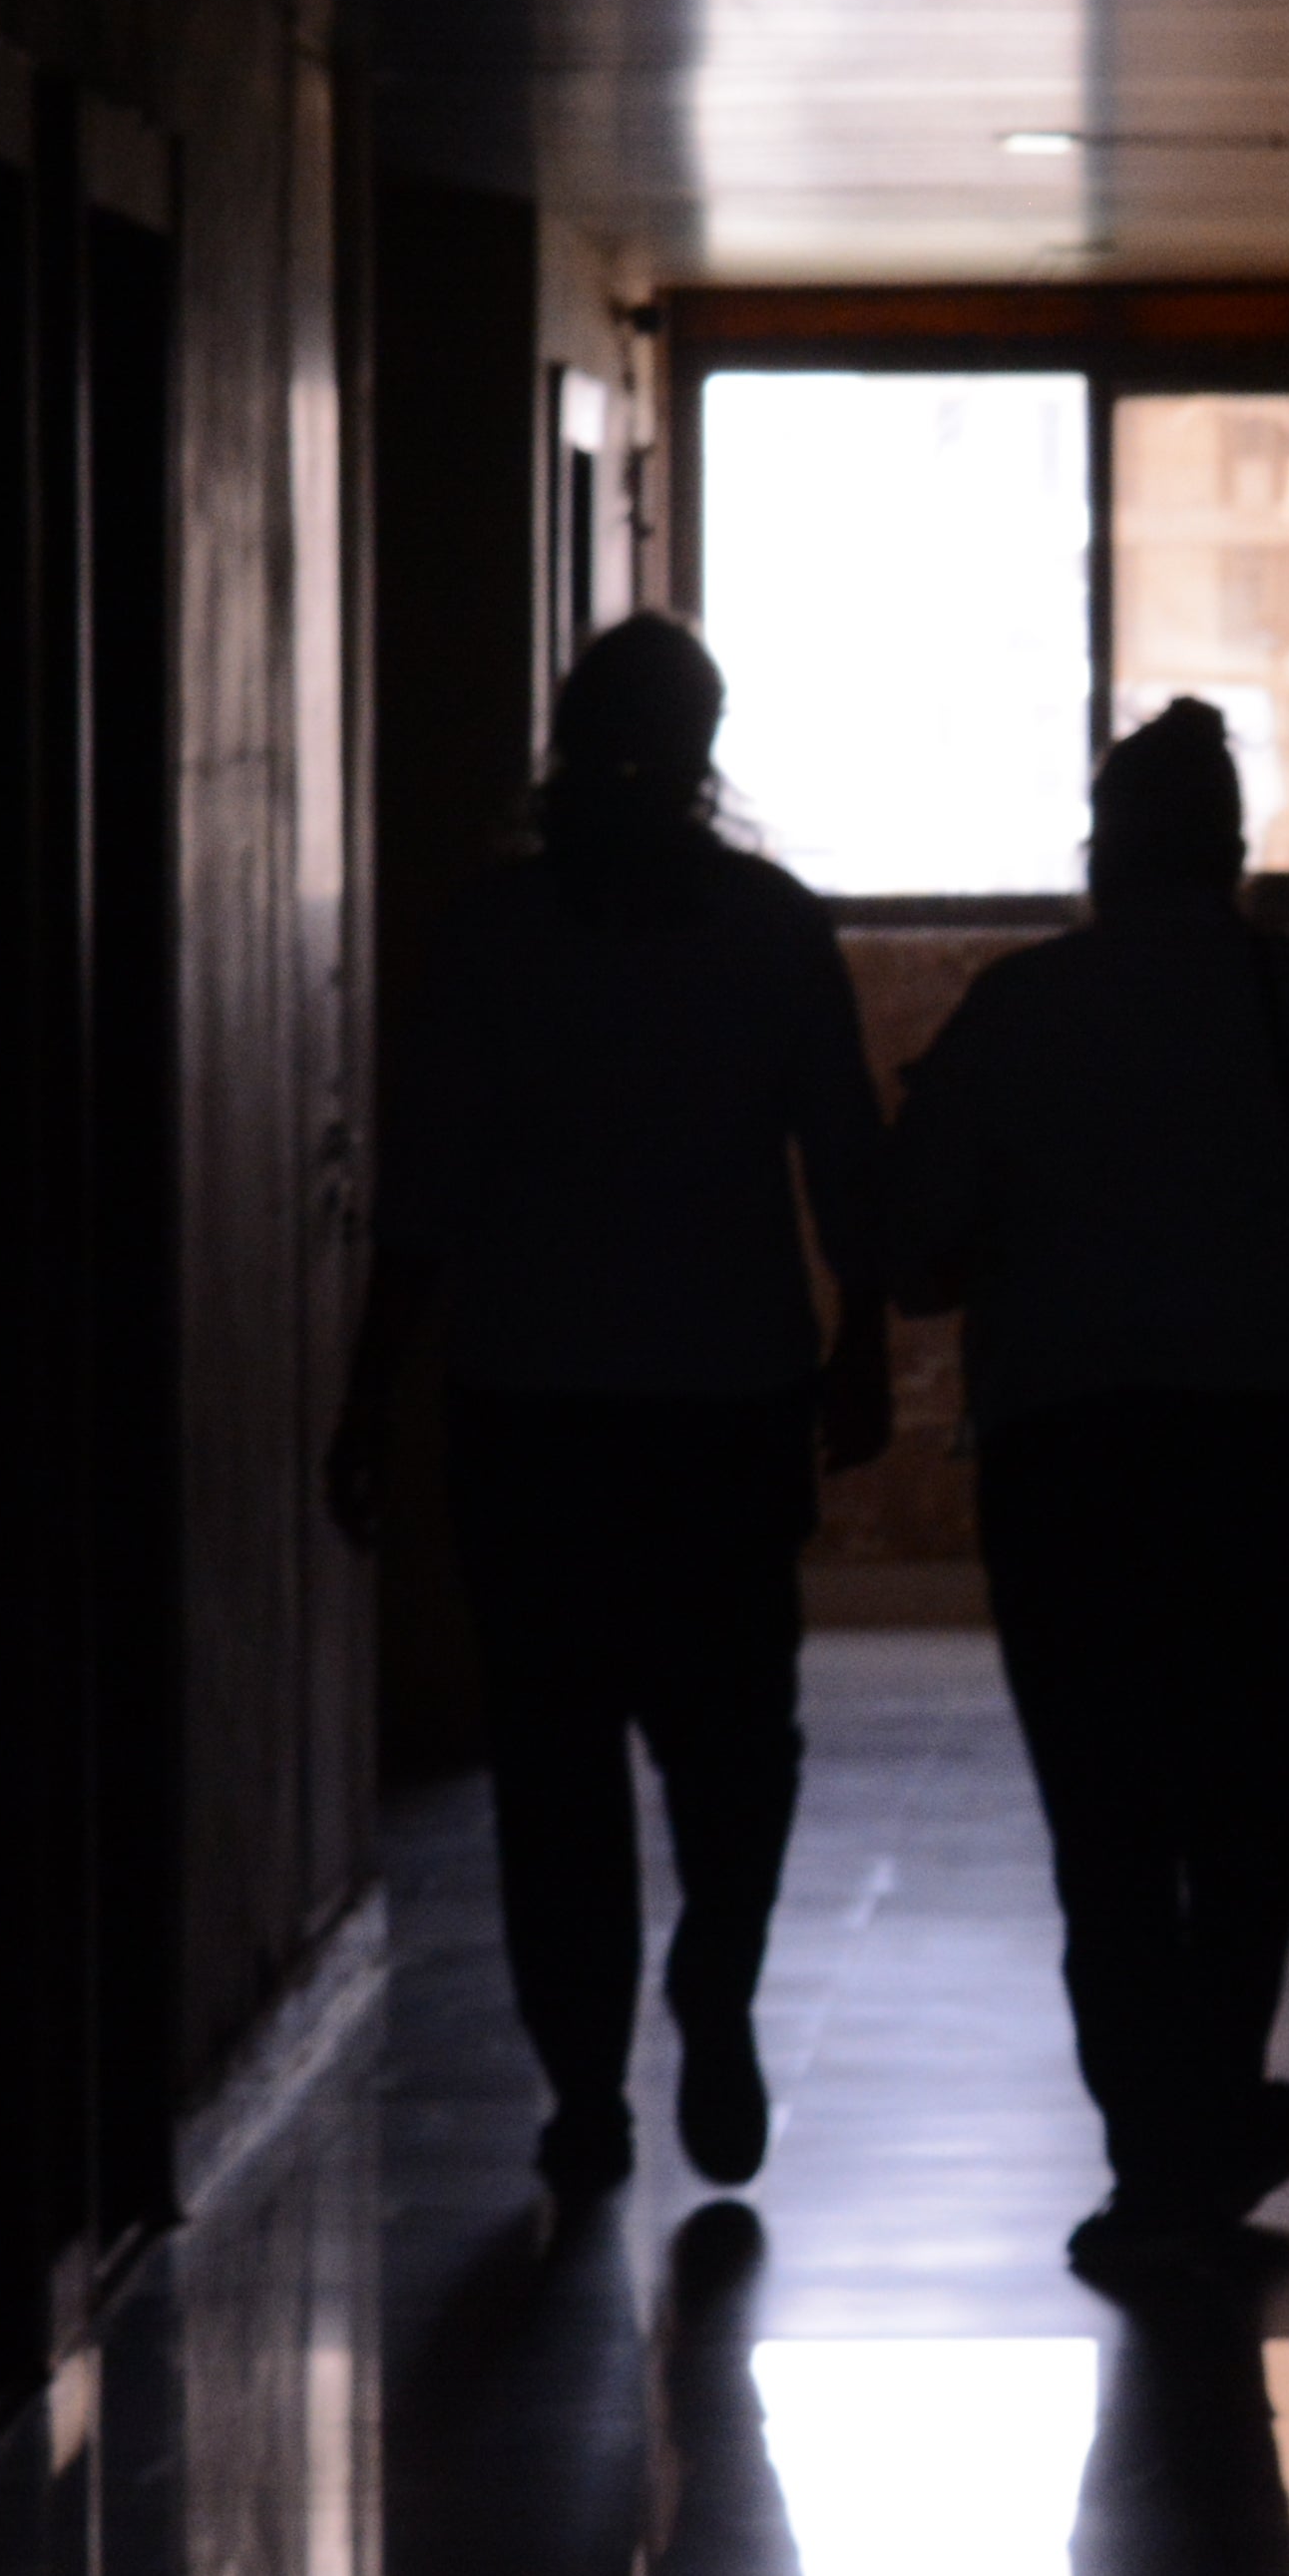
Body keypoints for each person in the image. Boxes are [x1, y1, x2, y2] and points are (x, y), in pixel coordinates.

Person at [332, 614, 894, 2192]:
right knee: (736, 1747)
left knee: (556, 1765)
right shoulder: (771, 930)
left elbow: (423, 1199)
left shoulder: (494, 936)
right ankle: (711, 1990)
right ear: (706, 748)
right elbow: (843, 1167)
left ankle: (586, 2087)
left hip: (533, 1412)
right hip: (720, 1404)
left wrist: (369, 1399)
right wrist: (859, 1347)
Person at [887, 697, 1289, 2261]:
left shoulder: (1016, 1009)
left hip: (1072, 1466)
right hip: (1278, 1455)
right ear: (1236, 850)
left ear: (1103, 850)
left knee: (1109, 1822)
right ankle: (1211, 2107)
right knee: (1252, 1800)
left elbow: (915, 1257)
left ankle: (1158, 2153)